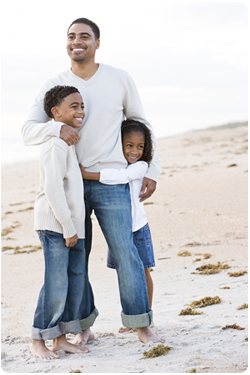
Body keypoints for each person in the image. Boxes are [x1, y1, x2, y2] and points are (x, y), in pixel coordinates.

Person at [22, 18, 163, 344]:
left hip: (111, 181)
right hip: (71, 184)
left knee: (127, 252)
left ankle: (142, 324)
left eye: (84, 36)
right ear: (66, 43)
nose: (77, 41)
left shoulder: (119, 78)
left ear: (97, 42)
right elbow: (28, 130)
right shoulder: (54, 84)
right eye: (71, 36)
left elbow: (142, 123)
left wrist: (151, 169)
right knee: (78, 257)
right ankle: (82, 328)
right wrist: (57, 128)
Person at [30, 85, 98, 359]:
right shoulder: (54, 144)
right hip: (56, 225)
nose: (80, 110)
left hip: (70, 225)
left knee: (70, 281)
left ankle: (59, 338)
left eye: (82, 105)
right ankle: (38, 338)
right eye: (74, 106)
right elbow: (54, 190)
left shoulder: (67, 143)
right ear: (55, 113)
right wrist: (69, 229)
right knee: (55, 283)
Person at [79, 119, 155, 333]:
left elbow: (119, 177)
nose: (135, 151)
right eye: (129, 145)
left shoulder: (140, 167)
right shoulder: (116, 163)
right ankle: (134, 317)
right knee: (127, 271)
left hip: (138, 228)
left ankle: (145, 315)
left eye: (140, 147)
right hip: (120, 229)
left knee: (143, 271)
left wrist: (87, 175)